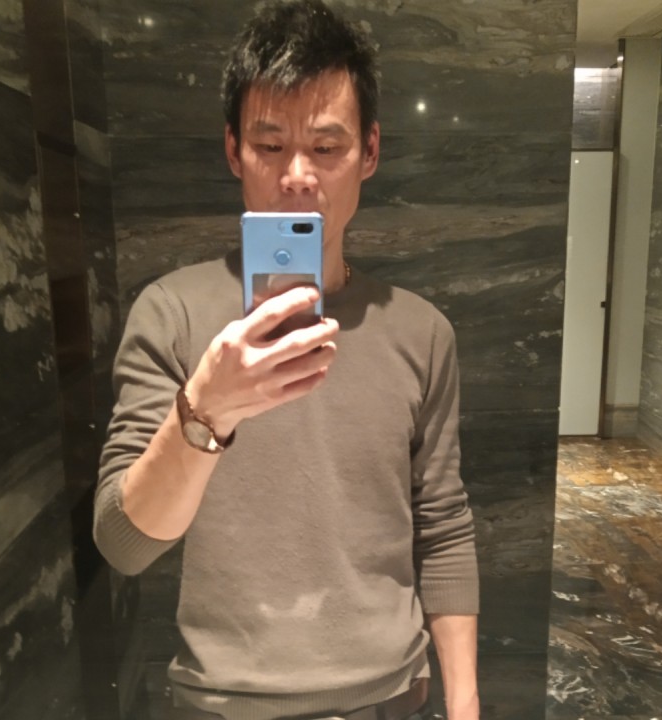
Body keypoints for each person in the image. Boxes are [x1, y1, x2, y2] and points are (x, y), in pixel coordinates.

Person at [93, 1, 480, 719]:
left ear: (370, 152)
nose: (298, 175)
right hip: (223, 705)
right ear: (233, 150)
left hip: (390, 699)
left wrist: (467, 707)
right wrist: (204, 413)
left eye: (326, 147)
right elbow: (124, 542)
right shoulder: (172, 314)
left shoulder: (421, 332)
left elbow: (444, 525)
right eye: (270, 145)